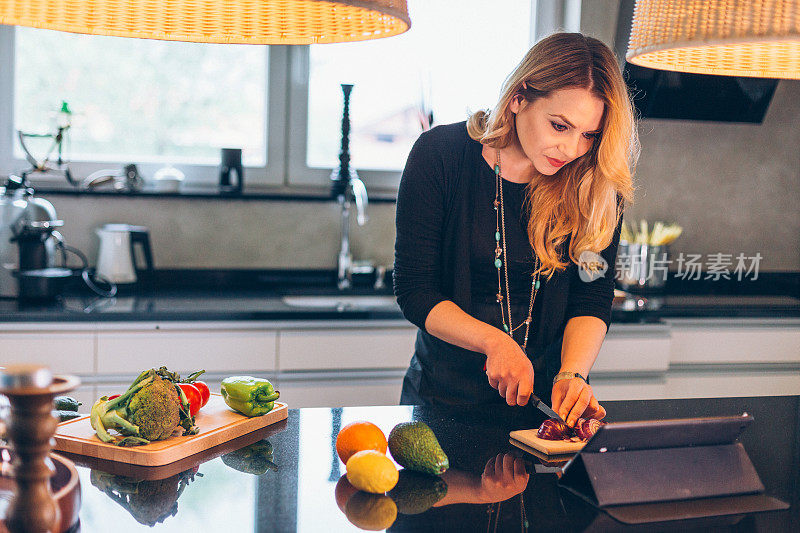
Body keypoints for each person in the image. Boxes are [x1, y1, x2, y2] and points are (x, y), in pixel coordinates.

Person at [393, 32, 638, 427]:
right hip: (443, 402)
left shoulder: (595, 183)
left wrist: (573, 372)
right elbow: (415, 289)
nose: (573, 149)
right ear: (519, 97)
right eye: (560, 126)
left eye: (589, 135)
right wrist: (495, 342)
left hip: (547, 410)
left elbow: (591, 296)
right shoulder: (440, 155)